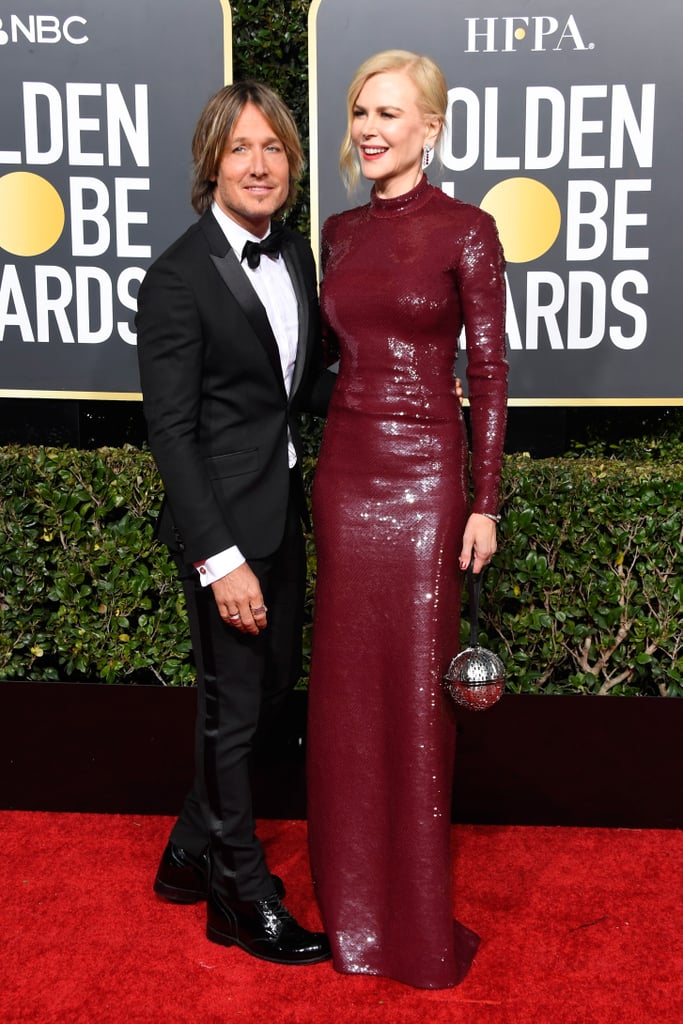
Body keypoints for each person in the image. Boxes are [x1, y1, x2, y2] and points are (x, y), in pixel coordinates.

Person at [306, 50, 508, 989]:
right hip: (345, 476)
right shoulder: (338, 233)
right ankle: (352, 917)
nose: (371, 128)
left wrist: (483, 498)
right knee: (347, 696)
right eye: (360, 112)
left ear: (429, 126)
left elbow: (491, 376)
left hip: (426, 480)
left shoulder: (468, 230)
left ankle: (413, 922)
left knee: (414, 693)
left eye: (390, 113)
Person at [135, 80, 335, 966]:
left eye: (275, 149)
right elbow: (171, 434)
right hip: (225, 530)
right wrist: (221, 561)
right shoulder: (177, 277)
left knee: (268, 690)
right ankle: (234, 888)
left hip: (279, 505)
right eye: (240, 148)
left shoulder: (294, 254)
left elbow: (304, 380)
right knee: (232, 706)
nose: (259, 165)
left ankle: (186, 851)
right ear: (210, 161)